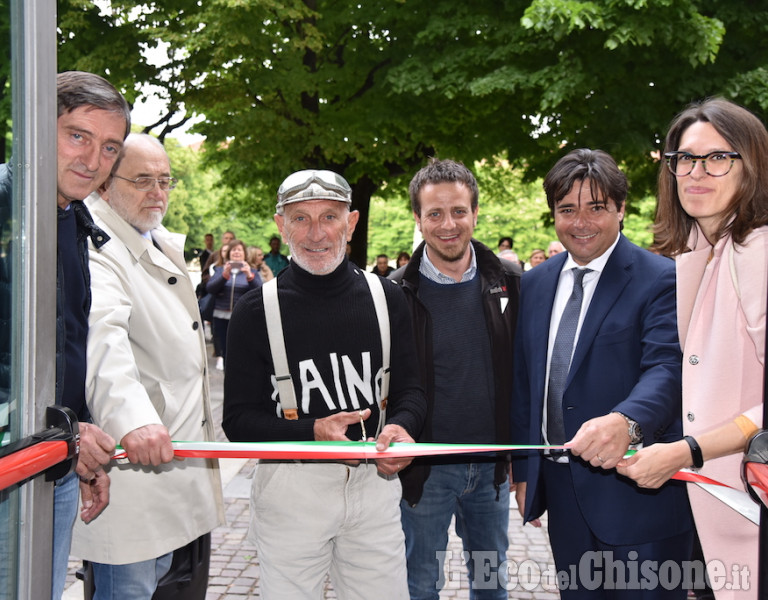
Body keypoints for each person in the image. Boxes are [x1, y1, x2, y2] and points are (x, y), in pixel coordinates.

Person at [223, 168, 426, 599]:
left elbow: (411, 389)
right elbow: (238, 421)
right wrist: (310, 432)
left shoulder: (387, 297)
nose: (316, 233)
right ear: (281, 225)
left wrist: (402, 427)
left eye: (329, 217)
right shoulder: (256, 310)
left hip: (374, 489)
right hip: (292, 489)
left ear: (351, 223)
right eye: (300, 218)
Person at [511, 148, 693, 598]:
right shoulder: (534, 283)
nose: (581, 222)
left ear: (621, 209)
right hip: (562, 492)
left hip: (638, 492)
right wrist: (524, 471)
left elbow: (668, 368)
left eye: (596, 208)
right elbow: (524, 381)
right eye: (567, 209)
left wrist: (627, 422)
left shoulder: (660, 278)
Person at [616, 98, 768, 598]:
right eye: (684, 159)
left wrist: (689, 449)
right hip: (713, 506)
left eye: (718, 158)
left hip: (751, 506)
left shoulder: (758, 251)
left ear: (753, 164)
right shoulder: (700, 254)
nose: (696, 172)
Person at [71, 134, 225, 599]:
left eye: (165, 180)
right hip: (133, 473)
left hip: (170, 469)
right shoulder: (97, 249)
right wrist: (135, 421)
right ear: (104, 184)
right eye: (142, 180)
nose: (157, 192)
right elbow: (104, 344)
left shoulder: (149, 237)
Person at [389, 159, 520, 600]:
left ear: (475, 214)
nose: (448, 225)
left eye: (459, 211)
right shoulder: (393, 293)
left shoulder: (511, 285)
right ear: (418, 218)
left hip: (491, 468)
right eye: (435, 214)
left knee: (491, 584)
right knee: (419, 585)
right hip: (424, 469)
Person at [48, 71, 131, 600]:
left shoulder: (70, 222)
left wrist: (76, 435)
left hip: (50, 460)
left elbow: (64, 347)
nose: (92, 159)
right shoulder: (13, 212)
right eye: (77, 135)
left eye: (108, 148)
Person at [206, 238, 261, 369]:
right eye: (234, 250)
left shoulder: (252, 271)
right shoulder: (220, 270)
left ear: (245, 254)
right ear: (229, 253)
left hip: (243, 317)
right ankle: (228, 378)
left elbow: (259, 291)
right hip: (221, 317)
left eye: (239, 250)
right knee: (225, 350)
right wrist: (224, 275)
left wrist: (249, 276)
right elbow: (210, 288)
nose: (236, 252)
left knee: (242, 350)